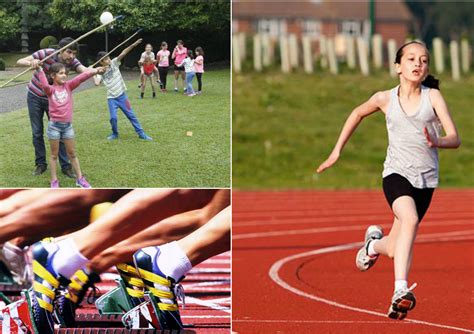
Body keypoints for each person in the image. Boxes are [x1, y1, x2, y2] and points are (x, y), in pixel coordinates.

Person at [316, 41, 460, 320]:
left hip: (426, 182)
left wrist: (438, 141)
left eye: (424, 60)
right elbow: (357, 112)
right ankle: (400, 290)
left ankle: (372, 245)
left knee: (394, 248)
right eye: (411, 59)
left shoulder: (434, 98)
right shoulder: (385, 98)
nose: (418, 64)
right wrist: (336, 151)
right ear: (398, 67)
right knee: (411, 220)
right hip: (395, 175)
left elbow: (456, 138)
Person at [16, 37, 89, 178]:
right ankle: (41, 164)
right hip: (35, 96)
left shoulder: (71, 61)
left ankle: (66, 167)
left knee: (60, 131)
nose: (72, 56)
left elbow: (84, 70)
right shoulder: (46, 53)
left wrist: (97, 71)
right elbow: (20, 61)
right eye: (69, 52)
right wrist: (32, 62)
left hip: (54, 101)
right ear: (61, 50)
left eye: (74, 53)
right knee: (37, 132)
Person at [35, 62, 106, 188]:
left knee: (72, 153)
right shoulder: (50, 90)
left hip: (67, 127)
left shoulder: (68, 86)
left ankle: (80, 178)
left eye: (65, 73)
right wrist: (39, 69)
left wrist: (95, 71)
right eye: (61, 73)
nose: (64, 76)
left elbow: (80, 78)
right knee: (53, 155)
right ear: (52, 75)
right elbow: (45, 85)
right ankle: (54, 180)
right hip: (54, 127)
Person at [94, 39, 152, 141]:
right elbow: (96, 83)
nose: (109, 60)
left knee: (131, 115)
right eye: (106, 59)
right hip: (111, 98)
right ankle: (115, 133)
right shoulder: (99, 71)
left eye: (108, 58)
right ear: (101, 62)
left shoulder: (114, 63)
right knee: (113, 118)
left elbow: (124, 52)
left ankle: (141, 133)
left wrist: (134, 44)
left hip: (122, 96)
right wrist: (94, 73)